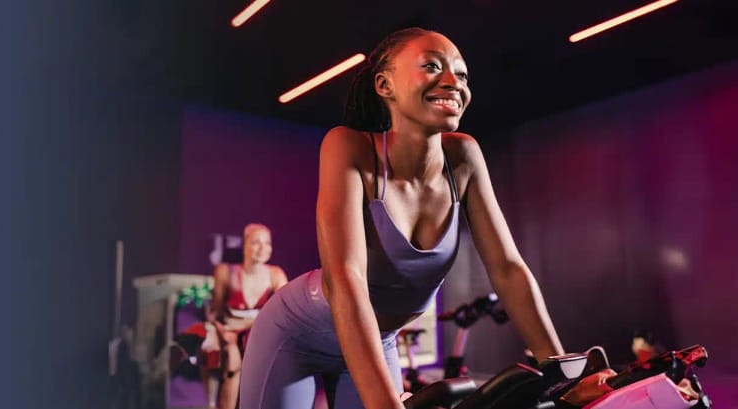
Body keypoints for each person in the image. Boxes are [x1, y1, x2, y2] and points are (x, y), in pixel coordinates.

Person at [238, 27, 566, 409]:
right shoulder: (349, 147)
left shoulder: (463, 157)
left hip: (377, 340)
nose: (453, 82)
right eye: (431, 66)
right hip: (296, 335)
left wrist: (561, 375)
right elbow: (347, 279)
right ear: (385, 84)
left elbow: (508, 270)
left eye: (462, 75)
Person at [205, 223, 288, 409]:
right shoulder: (226, 272)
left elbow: (284, 311)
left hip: (259, 331)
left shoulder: (276, 274)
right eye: (256, 242)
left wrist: (251, 322)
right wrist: (223, 329)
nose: (262, 248)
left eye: (267, 243)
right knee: (231, 357)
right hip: (229, 331)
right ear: (244, 245)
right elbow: (216, 310)